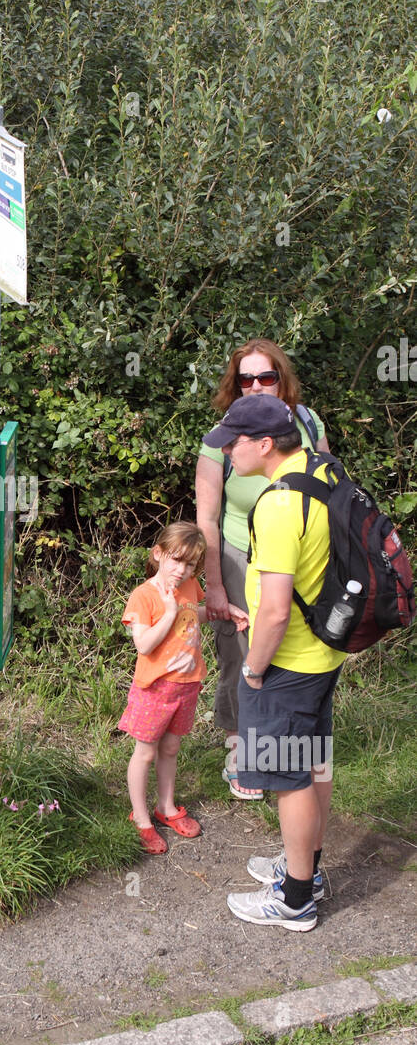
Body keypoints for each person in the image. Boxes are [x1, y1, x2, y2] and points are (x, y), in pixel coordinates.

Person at [200, 396, 345, 931]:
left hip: (285, 661)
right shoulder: (321, 469)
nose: (227, 453)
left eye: (234, 443)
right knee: (314, 763)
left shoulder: (279, 504)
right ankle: (306, 867)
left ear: (264, 445)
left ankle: (295, 900)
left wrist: (254, 669)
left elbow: (277, 608)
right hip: (324, 652)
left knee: (288, 779)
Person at [195, 338, 329, 800]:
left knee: (288, 646)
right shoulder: (224, 438)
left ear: (281, 379)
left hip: (298, 553)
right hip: (238, 553)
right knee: (241, 653)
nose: (254, 386)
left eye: (265, 377)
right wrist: (214, 584)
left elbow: (332, 489)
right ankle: (242, 748)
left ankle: (285, 750)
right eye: (244, 378)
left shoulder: (307, 424)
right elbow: (206, 516)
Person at [119, 521, 249, 853]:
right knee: (145, 752)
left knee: (171, 749)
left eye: (190, 564)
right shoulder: (145, 596)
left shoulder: (189, 585)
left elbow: (193, 615)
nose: (182, 570)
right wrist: (168, 612)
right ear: (158, 554)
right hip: (154, 690)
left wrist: (222, 612)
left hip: (186, 685)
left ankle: (166, 807)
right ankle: (141, 818)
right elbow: (144, 645)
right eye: (176, 560)